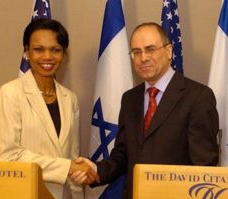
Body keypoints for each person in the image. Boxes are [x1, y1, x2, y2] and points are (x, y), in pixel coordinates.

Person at [71, 22, 219, 198]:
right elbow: (122, 155)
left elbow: (203, 168)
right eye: (136, 52)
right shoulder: (130, 99)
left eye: (150, 49)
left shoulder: (198, 97)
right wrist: (95, 169)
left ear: (169, 51)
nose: (143, 58)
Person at [0, 18, 96, 199]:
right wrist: (67, 167)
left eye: (55, 50)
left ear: (64, 55)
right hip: (25, 193)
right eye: (38, 49)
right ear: (27, 52)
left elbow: (72, 155)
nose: (47, 57)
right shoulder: (10, 93)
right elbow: (10, 156)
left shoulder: (70, 98)